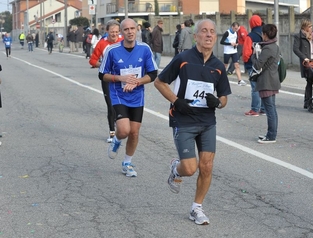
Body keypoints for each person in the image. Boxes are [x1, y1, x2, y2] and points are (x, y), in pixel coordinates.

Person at [154, 19, 231, 225]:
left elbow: (224, 97)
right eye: (204, 31)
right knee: (190, 169)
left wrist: (218, 102)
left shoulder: (218, 66)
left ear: (215, 37)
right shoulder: (183, 58)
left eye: (212, 32)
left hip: (207, 121)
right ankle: (176, 168)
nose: (208, 35)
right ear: (195, 36)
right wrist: (176, 101)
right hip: (183, 119)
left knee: (206, 166)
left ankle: (196, 208)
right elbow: (159, 82)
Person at [99, 18, 158, 177]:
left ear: (137, 30)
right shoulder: (112, 50)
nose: (130, 32)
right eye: (126, 29)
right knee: (124, 130)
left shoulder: (145, 49)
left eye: (133, 28)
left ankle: (127, 163)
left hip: (137, 96)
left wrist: (138, 81)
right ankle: (117, 140)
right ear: (121, 32)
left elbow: (153, 74)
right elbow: (102, 75)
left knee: (134, 133)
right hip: (119, 95)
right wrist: (120, 78)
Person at [89, 20, 123, 143]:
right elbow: (92, 61)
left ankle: (121, 126)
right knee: (110, 105)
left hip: (121, 79)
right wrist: (104, 65)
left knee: (122, 105)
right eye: (111, 32)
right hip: (107, 78)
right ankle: (112, 133)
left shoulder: (123, 42)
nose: (114, 34)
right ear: (107, 31)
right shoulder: (102, 43)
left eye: (116, 32)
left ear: (119, 32)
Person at [251, 24, 281, 144]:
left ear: (265, 35)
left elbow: (257, 65)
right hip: (273, 80)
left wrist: (254, 54)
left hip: (266, 81)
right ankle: (271, 134)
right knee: (271, 109)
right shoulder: (275, 46)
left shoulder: (267, 48)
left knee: (270, 110)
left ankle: (271, 136)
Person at [293, 19, 313, 109]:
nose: (311, 28)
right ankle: (307, 101)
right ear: (305, 27)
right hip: (307, 61)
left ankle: (307, 101)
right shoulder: (298, 36)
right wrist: (304, 57)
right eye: (309, 27)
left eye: (311, 26)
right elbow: (295, 49)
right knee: (309, 80)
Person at [242, 14, 266, 116]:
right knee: (264, 87)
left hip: (253, 65)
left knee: (255, 87)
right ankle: (264, 109)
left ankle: (255, 109)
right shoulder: (266, 33)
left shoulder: (250, 36)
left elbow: (246, 53)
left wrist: (246, 62)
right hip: (265, 64)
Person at [220, 22, 246, 86]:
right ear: (232, 27)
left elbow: (236, 40)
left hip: (234, 51)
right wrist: (230, 43)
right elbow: (221, 42)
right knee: (225, 65)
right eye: (235, 28)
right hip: (227, 52)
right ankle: (220, 78)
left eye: (237, 28)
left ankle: (239, 80)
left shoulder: (236, 32)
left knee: (237, 65)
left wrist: (236, 44)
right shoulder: (227, 32)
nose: (236, 30)